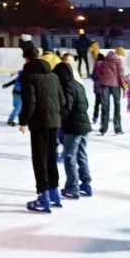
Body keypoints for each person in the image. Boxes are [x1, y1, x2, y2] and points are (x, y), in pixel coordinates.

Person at [19, 46, 65, 213]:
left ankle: (43, 196)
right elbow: (62, 100)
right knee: (51, 158)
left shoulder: (28, 76)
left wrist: (23, 121)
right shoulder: (53, 75)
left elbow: (30, 102)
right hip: (54, 122)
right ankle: (55, 193)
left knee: (40, 159)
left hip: (39, 123)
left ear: (26, 58)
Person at [55, 61, 92, 199]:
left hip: (73, 126)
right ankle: (86, 184)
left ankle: (72, 187)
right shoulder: (79, 85)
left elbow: (67, 107)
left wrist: (58, 118)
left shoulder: (67, 86)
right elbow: (86, 104)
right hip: (84, 125)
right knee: (81, 154)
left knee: (70, 156)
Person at [97, 50, 126, 136]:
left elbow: (100, 72)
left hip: (104, 84)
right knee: (117, 106)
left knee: (105, 106)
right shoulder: (118, 61)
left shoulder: (104, 61)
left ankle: (103, 128)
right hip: (115, 85)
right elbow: (120, 74)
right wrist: (123, 86)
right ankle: (117, 128)